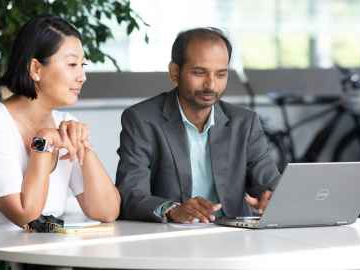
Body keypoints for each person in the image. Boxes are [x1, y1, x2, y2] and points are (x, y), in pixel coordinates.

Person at [0, 15, 120, 269]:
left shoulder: (65, 122)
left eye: (84, 65)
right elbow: (25, 215)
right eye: (72, 65)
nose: (82, 76)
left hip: (28, 257)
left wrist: (84, 146)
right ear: (36, 69)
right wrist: (42, 145)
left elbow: (106, 211)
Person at [116, 27, 280, 224]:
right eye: (199, 73)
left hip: (234, 236)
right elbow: (131, 194)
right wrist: (172, 210)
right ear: (175, 72)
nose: (211, 85)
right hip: (169, 237)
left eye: (220, 74)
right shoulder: (141, 119)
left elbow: (269, 183)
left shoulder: (244, 122)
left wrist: (271, 196)